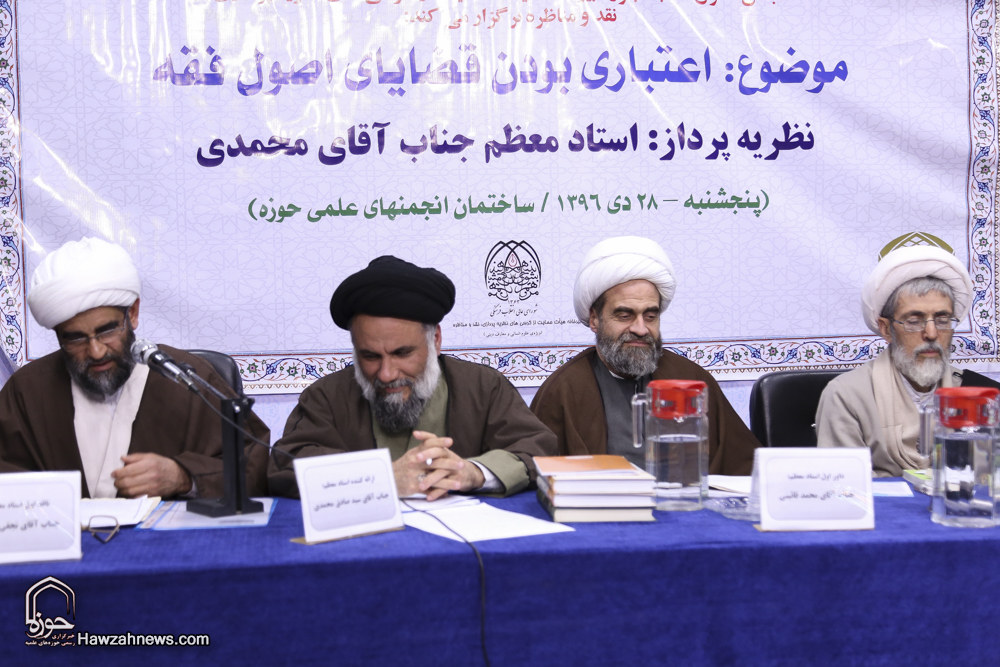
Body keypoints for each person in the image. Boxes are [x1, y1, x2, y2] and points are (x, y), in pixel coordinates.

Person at [268, 255, 557, 500]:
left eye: (402, 353)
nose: (386, 373)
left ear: (436, 341)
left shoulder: (483, 386)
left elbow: (537, 449)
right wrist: (379, 478)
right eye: (370, 356)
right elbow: (285, 466)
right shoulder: (326, 396)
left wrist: (474, 473)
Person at [0, 237, 269, 498]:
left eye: (106, 331)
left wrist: (184, 477)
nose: (96, 351)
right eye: (76, 338)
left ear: (133, 314)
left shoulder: (188, 379)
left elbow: (255, 466)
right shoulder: (27, 391)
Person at [530, 236, 759, 475]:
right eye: (624, 315)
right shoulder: (565, 389)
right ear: (595, 319)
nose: (641, 329)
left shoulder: (689, 378)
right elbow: (540, 475)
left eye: (650, 316)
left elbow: (746, 466)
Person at [816, 234, 1000, 476]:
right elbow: (843, 485)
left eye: (942, 320)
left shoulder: (983, 395)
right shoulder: (847, 395)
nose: (932, 334)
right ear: (886, 329)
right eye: (914, 321)